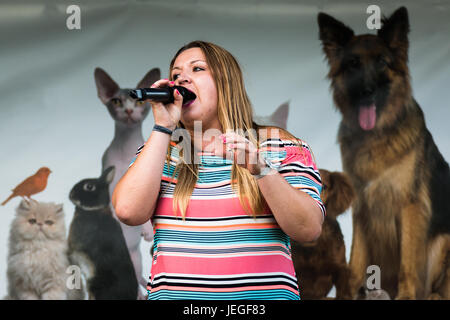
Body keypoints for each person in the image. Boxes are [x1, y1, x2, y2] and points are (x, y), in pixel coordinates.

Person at [112, 40, 325, 300]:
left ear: (227, 82)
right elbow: (127, 211)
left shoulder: (281, 145)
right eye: (176, 74)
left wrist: (260, 169)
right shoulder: (159, 153)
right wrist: (162, 127)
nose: (182, 80)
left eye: (197, 69)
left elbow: (307, 227)